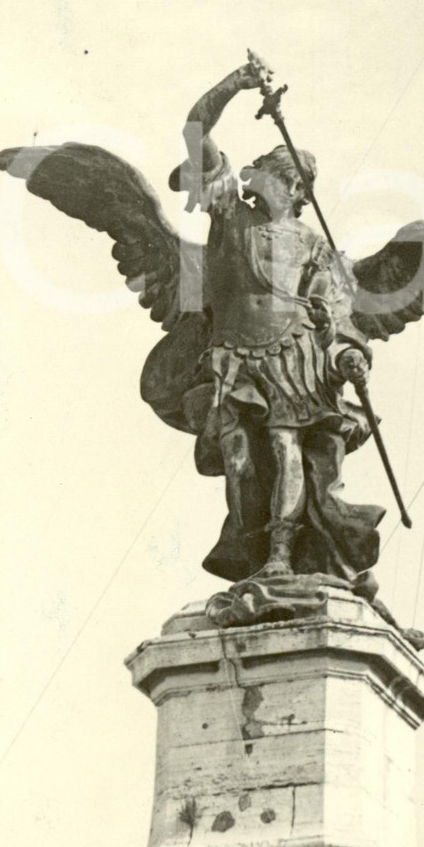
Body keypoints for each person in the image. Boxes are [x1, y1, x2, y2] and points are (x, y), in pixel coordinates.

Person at [167, 53, 380, 583]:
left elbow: (335, 315)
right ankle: (251, 552)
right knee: (239, 461)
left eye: (263, 170)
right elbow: (195, 130)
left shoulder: (313, 245)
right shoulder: (230, 215)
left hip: (294, 358)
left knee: (288, 451)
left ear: (293, 187)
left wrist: (345, 349)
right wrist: (235, 84)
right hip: (236, 357)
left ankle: (282, 554)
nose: (250, 174)